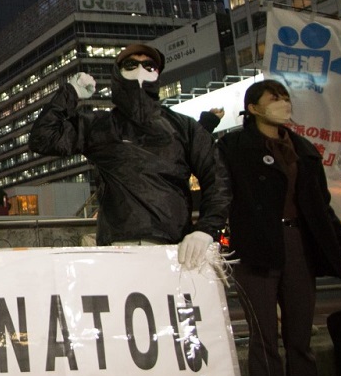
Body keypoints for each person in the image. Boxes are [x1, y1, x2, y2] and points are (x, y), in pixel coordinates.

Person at [217, 79, 341, 376]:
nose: (284, 104)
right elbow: (218, 191)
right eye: (274, 99)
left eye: (286, 98)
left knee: (300, 339)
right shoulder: (233, 146)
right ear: (254, 108)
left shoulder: (303, 149)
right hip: (255, 245)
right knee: (264, 339)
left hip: (297, 243)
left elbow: (319, 205)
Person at [28, 43, 230, 267]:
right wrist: (70, 93)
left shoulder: (184, 128)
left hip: (175, 249)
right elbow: (43, 138)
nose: (141, 69)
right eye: (131, 64)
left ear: (158, 74)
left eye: (149, 65)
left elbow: (217, 179)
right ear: (118, 73)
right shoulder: (99, 125)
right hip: (118, 248)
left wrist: (205, 230)